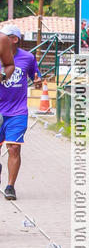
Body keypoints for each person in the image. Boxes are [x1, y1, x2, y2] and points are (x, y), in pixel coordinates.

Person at [0, 24, 42, 200]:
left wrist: (38, 82)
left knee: (14, 148)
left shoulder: (28, 58)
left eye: (5, 36)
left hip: (17, 111)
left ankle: (10, 187)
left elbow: (36, 77)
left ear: (14, 39)